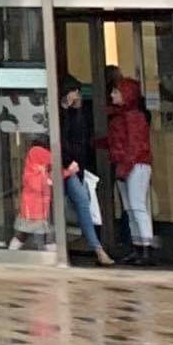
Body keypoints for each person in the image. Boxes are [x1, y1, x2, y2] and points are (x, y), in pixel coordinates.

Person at [106, 65, 156, 262]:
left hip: (135, 166)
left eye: (116, 92)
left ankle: (146, 248)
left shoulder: (133, 117)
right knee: (131, 208)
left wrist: (124, 169)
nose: (112, 95)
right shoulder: (121, 116)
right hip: (127, 166)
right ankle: (139, 247)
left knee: (136, 206)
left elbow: (134, 147)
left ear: (126, 94)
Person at [61, 72, 107, 265]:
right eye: (75, 91)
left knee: (81, 200)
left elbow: (80, 137)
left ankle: (97, 249)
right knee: (55, 206)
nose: (77, 95)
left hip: (72, 167)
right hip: (61, 165)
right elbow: (61, 138)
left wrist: (77, 110)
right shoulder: (58, 112)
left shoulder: (76, 113)